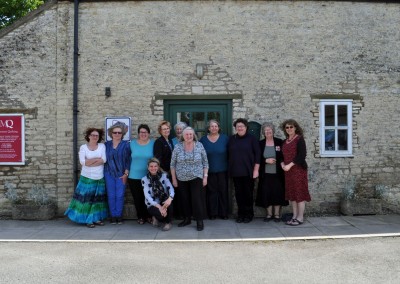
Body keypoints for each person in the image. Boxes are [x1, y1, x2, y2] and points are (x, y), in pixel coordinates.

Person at [65, 128, 108, 228]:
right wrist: (97, 159)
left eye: (97, 135)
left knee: (97, 200)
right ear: (88, 136)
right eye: (93, 135)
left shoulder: (102, 146)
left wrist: (90, 162)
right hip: (86, 177)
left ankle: (96, 219)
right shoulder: (83, 147)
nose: (95, 137)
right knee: (86, 199)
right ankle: (87, 220)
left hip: (99, 177)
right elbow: (83, 162)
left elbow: (104, 160)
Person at [170, 127, 209, 231]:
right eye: (186, 134)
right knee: (184, 199)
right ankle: (187, 219)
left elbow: (205, 163)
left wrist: (205, 177)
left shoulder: (199, 146)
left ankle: (199, 220)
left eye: (191, 134)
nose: (189, 136)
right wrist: (174, 179)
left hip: (196, 177)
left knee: (197, 199)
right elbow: (172, 164)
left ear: (193, 135)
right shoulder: (177, 147)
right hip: (181, 178)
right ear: (183, 136)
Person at [228, 118, 260, 223]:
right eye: (238, 126)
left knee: (248, 194)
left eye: (242, 126)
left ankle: (248, 214)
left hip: (248, 172)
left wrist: (256, 170)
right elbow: (229, 154)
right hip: (236, 171)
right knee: (238, 194)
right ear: (235, 128)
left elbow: (258, 155)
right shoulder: (232, 139)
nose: (240, 128)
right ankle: (240, 214)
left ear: (246, 127)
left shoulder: (252, 139)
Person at [280, 119, 311, 226]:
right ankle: (294, 216)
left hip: (298, 170)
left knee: (299, 193)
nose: (289, 129)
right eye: (287, 127)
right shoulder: (284, 141)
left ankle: (300, 218)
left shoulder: (299, 139)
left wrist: (290, 165)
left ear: (295, 128)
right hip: (288, 172)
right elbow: (281, 156)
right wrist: (283, 164)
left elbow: (302, 155)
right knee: (292, 194)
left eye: (291, 127)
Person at [256, 122, 288, 222]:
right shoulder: (260, 144)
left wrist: (283, 163)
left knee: (277, 193)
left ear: (273, 131)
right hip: (265, 174)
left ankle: (277, 215)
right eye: (266, 130)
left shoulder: (279, 142)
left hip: (278, 174)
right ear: (263, 133)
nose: (268, 131)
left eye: (270, 130)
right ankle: (269, 214)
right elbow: (256, 158)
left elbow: (284, 156)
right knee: (266, 193)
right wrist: (266, 161)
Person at [199, 120, 229, 220]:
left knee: (223, 192)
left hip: (223, 170)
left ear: (218, 128)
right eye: (212, 126)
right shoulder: (203, 140)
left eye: (216, 126)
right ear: (208, 128)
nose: (214, 128)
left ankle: (223, 213)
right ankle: (212, 213)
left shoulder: (225, 138)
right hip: (209, 171)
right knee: (211, 193)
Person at [104, 122, 131, 225]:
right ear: (111, 133)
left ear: (122, 134)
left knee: (120, 195)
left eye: (119, 132)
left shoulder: (126, 145)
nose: (117, 134)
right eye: (115, 132)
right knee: (111, 195)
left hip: (121, 174)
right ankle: (112, 216)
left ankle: (118, 215)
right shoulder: (106, 145)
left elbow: (129, 160)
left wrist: (126, 173)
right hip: (109, 173)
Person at [128, 124, 154, 225]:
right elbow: (127, 159)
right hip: (133, 176)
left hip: (148, 176)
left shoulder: (153, 143)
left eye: (145, 132)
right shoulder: (132, 144)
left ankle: (148, 216)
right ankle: (141, 217)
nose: (143, 134)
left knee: (148, 197)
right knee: (137, 198)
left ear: (148, 133)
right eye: (141, 132)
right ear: (138, 133)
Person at [142, 157, 175, 231]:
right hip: (153, 203)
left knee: (169, 204)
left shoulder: (164, 176)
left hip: (163, 199)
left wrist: (170, 199)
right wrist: (159, 207)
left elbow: (171, 188)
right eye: (151, 166)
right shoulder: (144, 179)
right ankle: (155, 217)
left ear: (158, 167)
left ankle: (168, 223)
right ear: (148, 167)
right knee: (161, 215)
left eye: (155, 166)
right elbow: (147, 196)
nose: (153, 168)